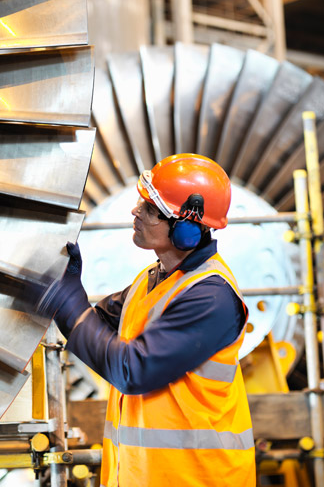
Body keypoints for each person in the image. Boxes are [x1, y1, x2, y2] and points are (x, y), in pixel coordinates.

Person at [35, 153, 256, 486]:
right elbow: (92, 329)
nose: (135, 211)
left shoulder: (211, 297)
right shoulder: (152, 280)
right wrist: (57, 288)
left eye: (151, 209)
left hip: (196, 478)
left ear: (187, 230)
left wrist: (69, 301)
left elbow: (132, 369)